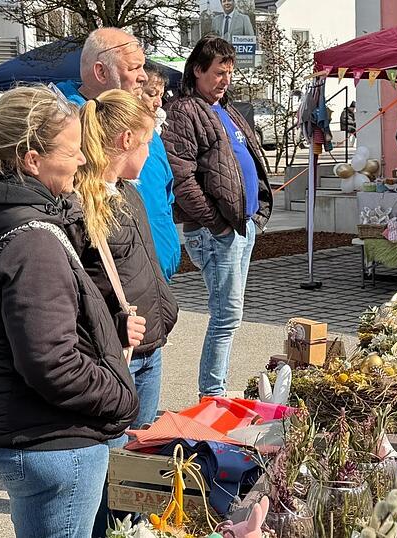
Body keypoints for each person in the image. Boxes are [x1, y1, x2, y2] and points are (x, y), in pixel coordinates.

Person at [0, 86, 139, 537]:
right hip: (49, 438)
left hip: (28, 427)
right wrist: (121, 395)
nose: (83, 159)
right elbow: (51, 362)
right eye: (73, 150)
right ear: (31, 160)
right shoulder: (32, 241)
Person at [162, 36, 272, 397]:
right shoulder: (185, 111)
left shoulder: (224, 109)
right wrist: (217, 223)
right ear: (197, 70)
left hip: (241, 226)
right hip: (217, 231)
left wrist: (255, 212)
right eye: (219, 73)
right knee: (226, 316)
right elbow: (182, 178)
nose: (226, 80)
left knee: (230, 315)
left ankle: (215, 393)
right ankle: (212, 395)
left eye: (229, 73)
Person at [75, 89, 178, 436]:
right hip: (116, 354)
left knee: (140, 452)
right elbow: (73, 291)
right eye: (147, 142)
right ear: (127, 139)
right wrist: (113, 328)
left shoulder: (129, 193)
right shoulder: (81, 205)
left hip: (149, 347)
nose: (150, 152)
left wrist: (166, 309)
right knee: (113, 454)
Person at [58, 29, 182, 283]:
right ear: (101, 72)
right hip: (116, 282)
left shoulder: (142, 121)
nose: (143, 76)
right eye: (134, 67)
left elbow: (165, 194)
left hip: (156, 274)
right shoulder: (68, 128)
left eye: (143, 66)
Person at [137, 61, 182, 280]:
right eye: (151, 94)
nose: (158, 103)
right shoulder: (128, 139)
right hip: (142, 260)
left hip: (162, 253)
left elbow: (167, 195)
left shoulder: (154, 136)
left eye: (161, 95)